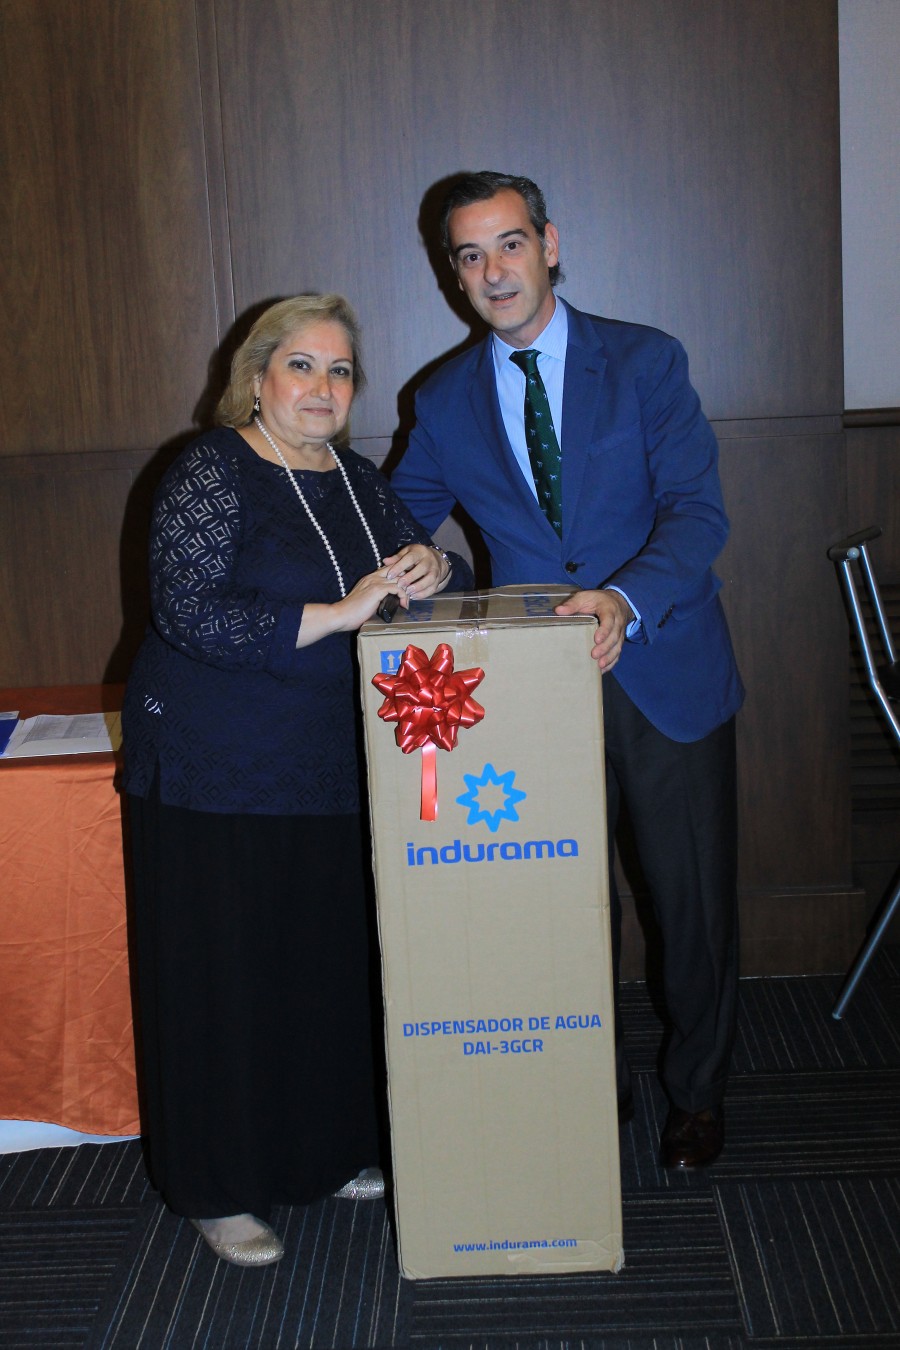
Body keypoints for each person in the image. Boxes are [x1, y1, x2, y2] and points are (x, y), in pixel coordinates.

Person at [390, 172, 745, 1169]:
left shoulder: (644, 361)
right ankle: (591, 1079)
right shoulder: (443, 400)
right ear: (454, 274)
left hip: (665, 672)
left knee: (690, 907)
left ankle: (699, 1093)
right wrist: (430, 567)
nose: (494, 271)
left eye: (510, 244)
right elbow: (397, 522)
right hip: (534, 696)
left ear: (549, 244)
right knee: (564, 908)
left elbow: (697, 514)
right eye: (470, 255)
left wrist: (625, 597)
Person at [122, 293, 473, 1266]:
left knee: (320, 971)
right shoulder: (213, 467)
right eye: (303, 366)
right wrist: (341, 612)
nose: (323, 387)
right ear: (257, 377)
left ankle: (320, 1154)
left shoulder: (356, 479)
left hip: (328, 766)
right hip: (214, 771)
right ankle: (217, 1187)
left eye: (340, 370)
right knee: (223, 982)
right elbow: (189, 610)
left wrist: (430, 565)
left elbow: (424, 560)